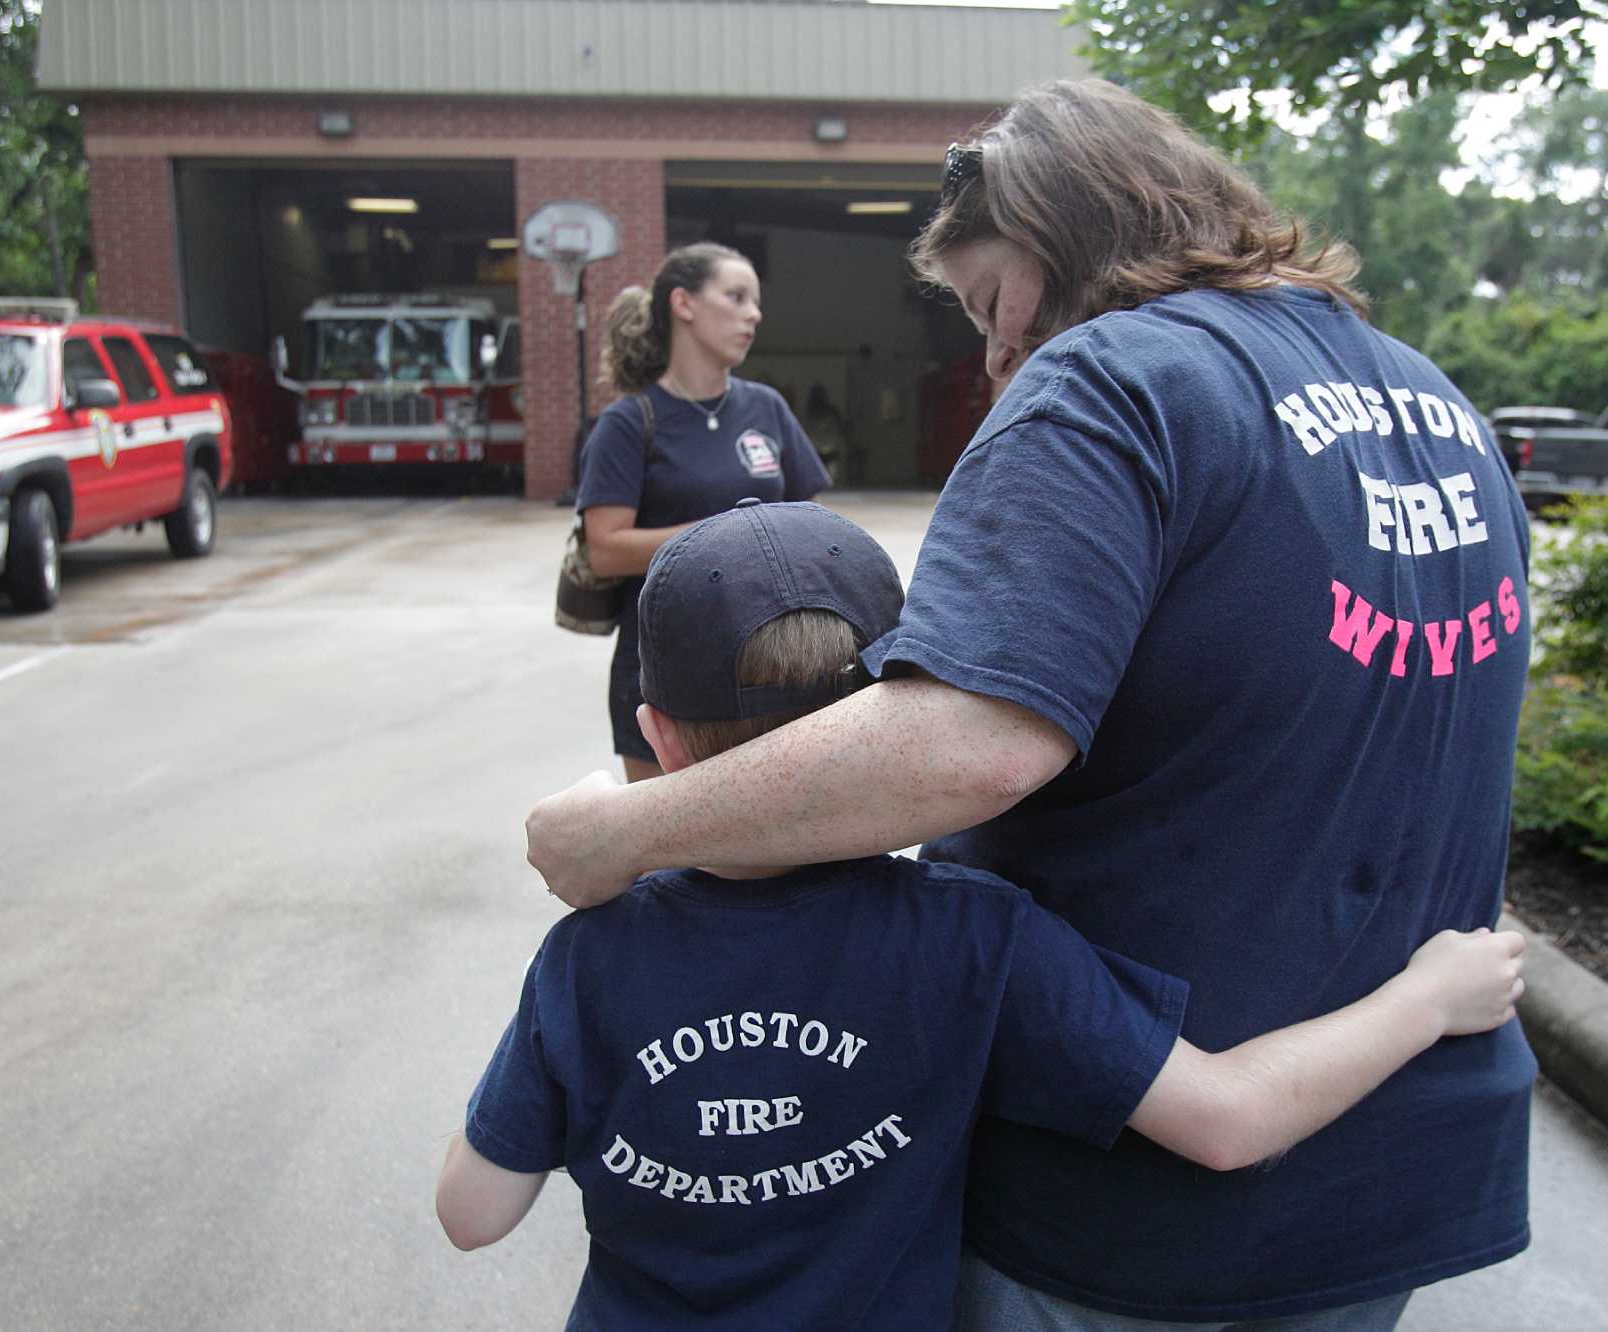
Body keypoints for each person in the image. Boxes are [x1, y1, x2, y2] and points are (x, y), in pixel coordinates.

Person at [526, 78, 1539, 1329]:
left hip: (1120, 1210)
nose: (997, 358)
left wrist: (625, 830)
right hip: (1387, 1170)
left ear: (1064, 229)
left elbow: (965, 745)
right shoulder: (1430, 399)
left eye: (991, 302)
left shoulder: (1113, 382)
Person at [443, 500, 1529, 1328]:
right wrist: (1426, 999)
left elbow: (472, 1212)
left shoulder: (589, 957)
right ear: (883, 721)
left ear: (659, 738)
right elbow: (1227, 1122)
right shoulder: (971, 936)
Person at [576, 242, 832, 783]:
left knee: (769, 843)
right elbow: (604, 548)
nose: (754, 314)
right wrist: (728, 534)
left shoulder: (767, 408)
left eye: (755, 302)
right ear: (683, 304)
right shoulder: (629, 423)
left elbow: (808, 523)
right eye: (736, 296)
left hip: (772, 665)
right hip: (661, 666)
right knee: (667, 852)